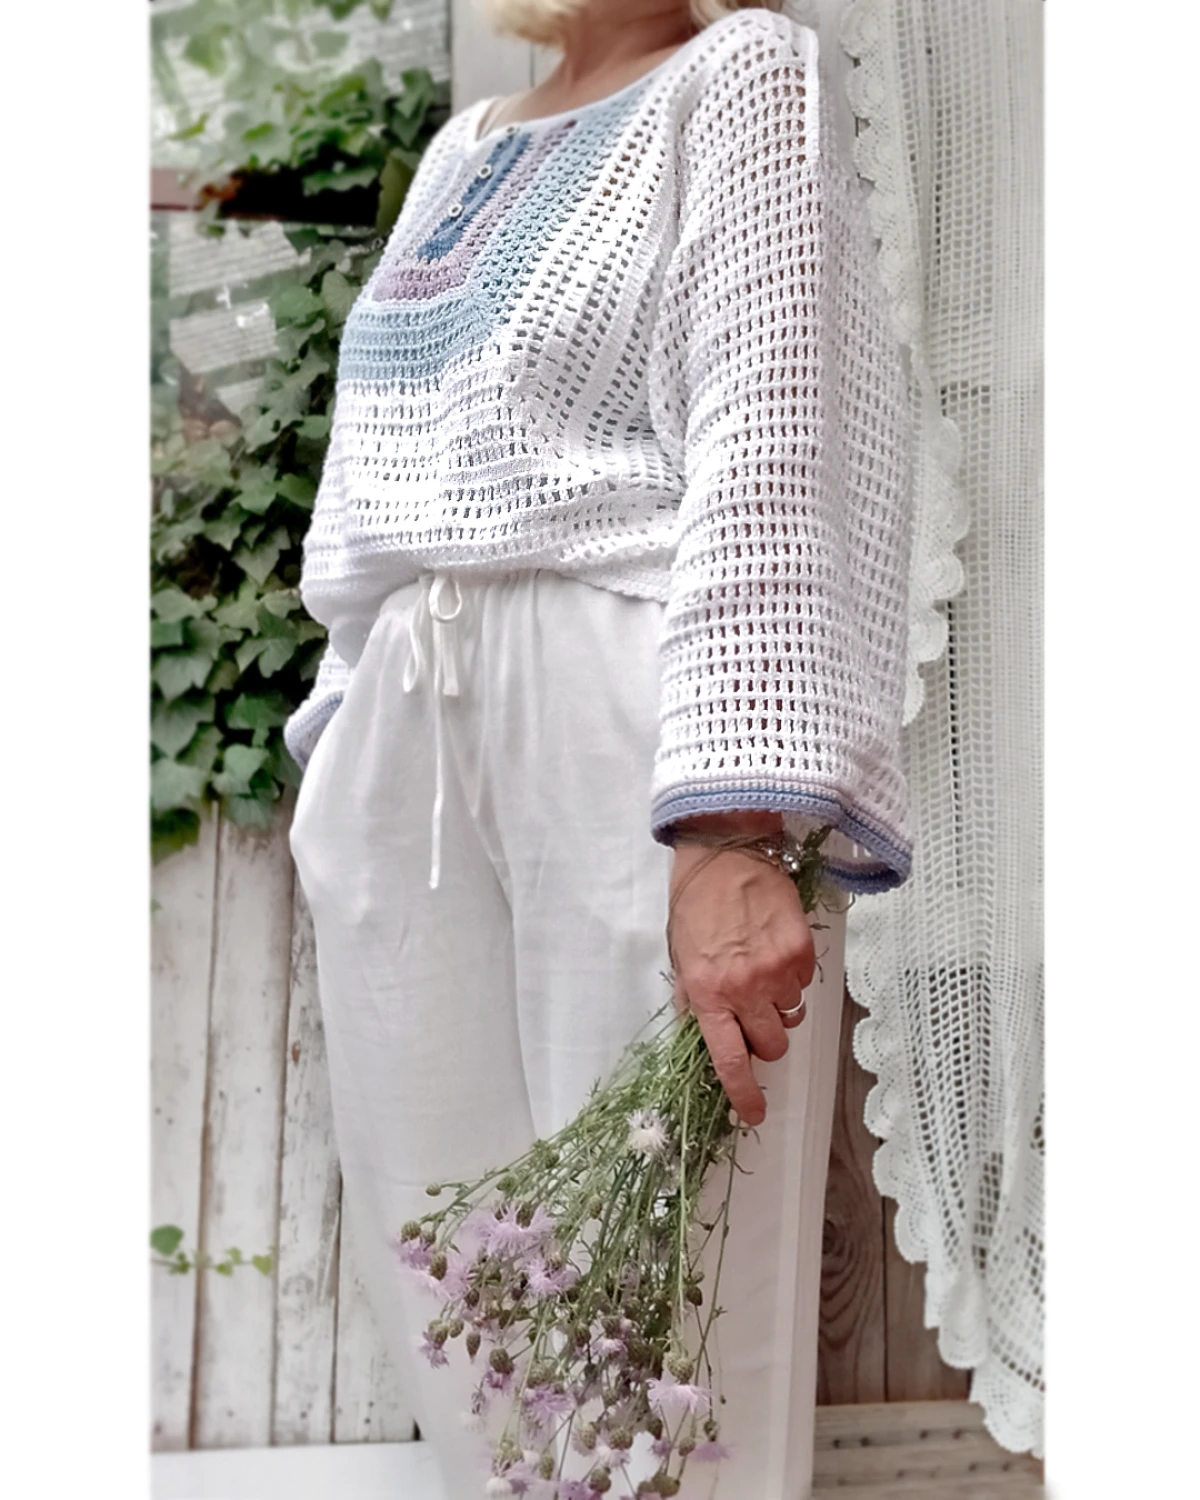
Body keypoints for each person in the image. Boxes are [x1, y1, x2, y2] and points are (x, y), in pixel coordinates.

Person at [285, 1, 913, 1495]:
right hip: (406, 720)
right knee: (456, 1272)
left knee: (673, 1300)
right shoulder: (464, 146)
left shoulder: (741, 73)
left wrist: (734, 822)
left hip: (628, 706)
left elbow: (773, 432)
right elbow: (371, 477)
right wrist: (346, 724)